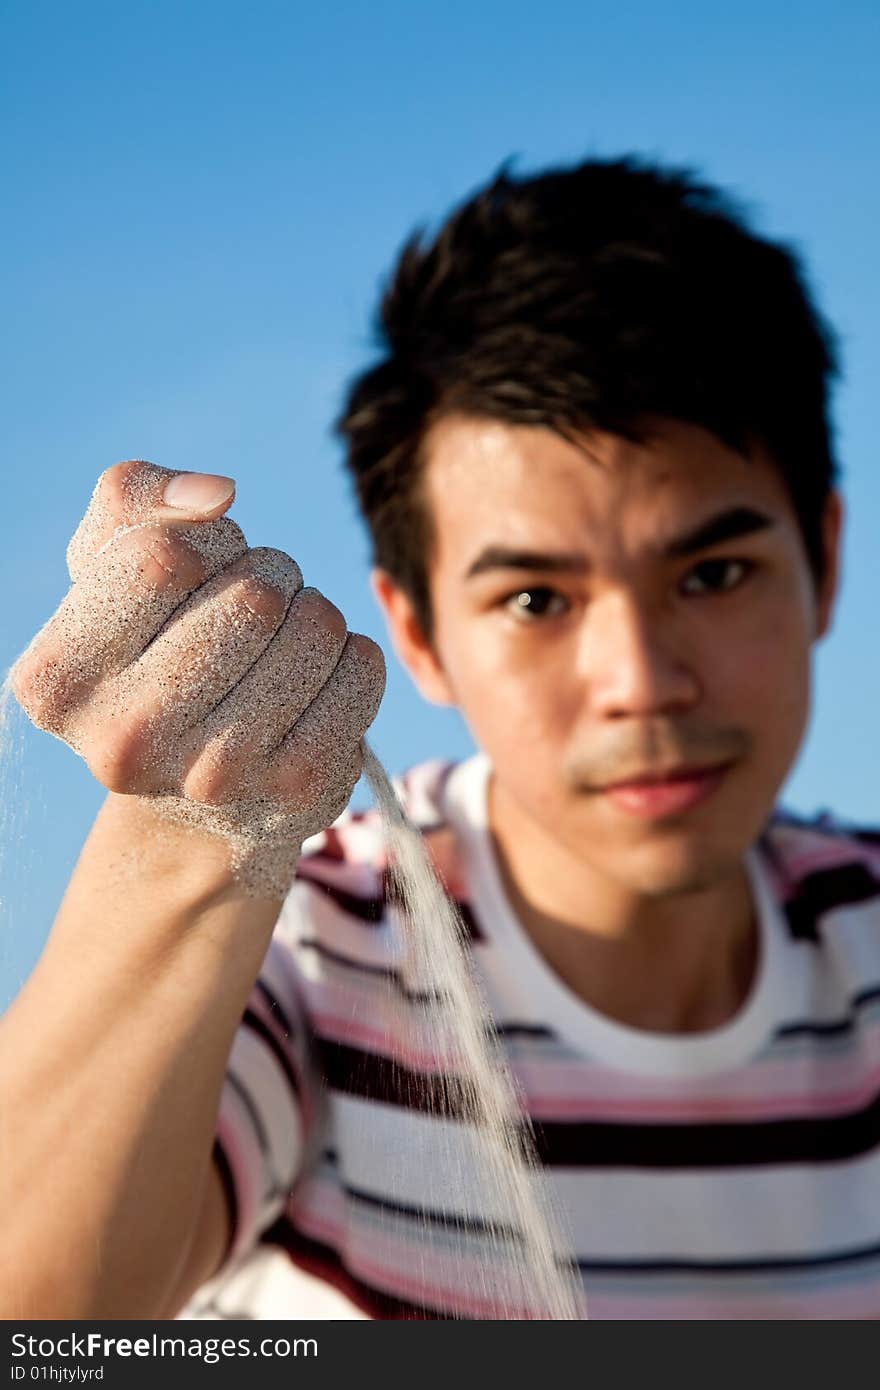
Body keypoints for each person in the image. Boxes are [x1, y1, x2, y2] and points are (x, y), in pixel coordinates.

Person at [4, 154, 878, 1321]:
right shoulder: (317, 955)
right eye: (533, 599)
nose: (642, 684)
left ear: (822, 562)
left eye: (713, 573)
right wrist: (191, 826)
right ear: (415, 633)